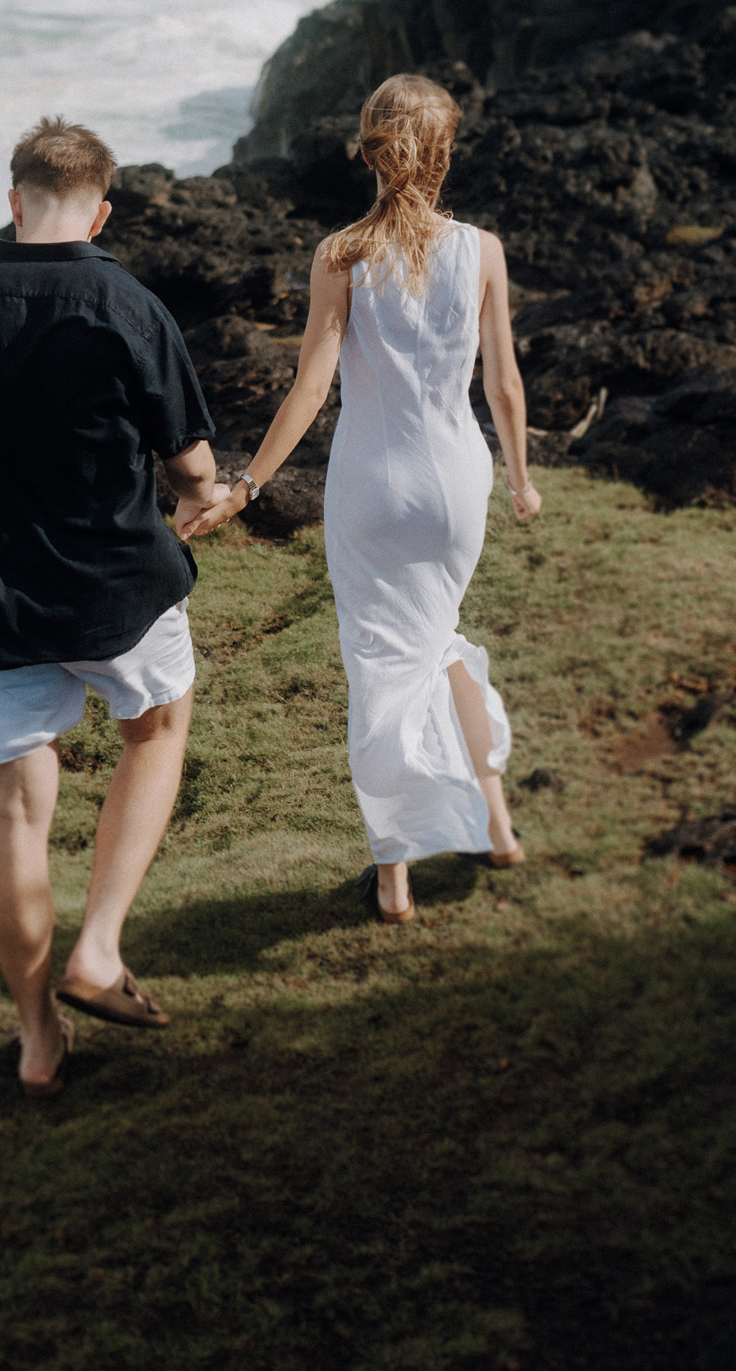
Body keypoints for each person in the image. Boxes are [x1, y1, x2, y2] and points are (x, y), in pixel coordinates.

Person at [0, 116, 227, 1095]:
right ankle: (98, 951)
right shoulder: (127, 303)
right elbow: (189, 459)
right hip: (120, 586)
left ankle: (36, 1038)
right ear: (101, 209)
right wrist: (204, 498)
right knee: (155, 732)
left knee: (15, 812)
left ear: (12, 200)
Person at [178, 74, 540, 925]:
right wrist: (520, 478)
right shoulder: (481, 249)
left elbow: (311, 386)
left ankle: (393, 874)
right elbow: (506, 382)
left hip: (372, 489)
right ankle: (497, 827)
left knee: (383, 670)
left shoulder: (340, 253)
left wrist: (248, 483)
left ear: (371, 148)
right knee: (437, 644)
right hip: (458, 484)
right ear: (443, 151)